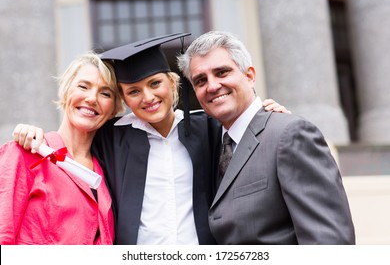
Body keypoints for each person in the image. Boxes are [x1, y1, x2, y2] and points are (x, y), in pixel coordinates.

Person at [11, 33, 289, 245]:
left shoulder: (210, 129)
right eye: (133, 91)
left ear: (172, 83)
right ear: (125, 99)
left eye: (155, 84)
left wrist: (265, 114)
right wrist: (30, 130)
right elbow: (74, 133)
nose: (148, 97)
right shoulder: (112, 138)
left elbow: (247, 132)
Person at [177, 30, 356, 244]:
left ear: (250, 75)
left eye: (222, 72)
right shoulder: (212, 145)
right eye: (200, 81)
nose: (212, 86)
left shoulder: (289, 134)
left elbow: (329, 242)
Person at [0, 52, 125, 244]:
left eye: (105, 93)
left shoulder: (108, 173)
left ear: (114, 110)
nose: (92, 98)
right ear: (66, 93)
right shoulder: (26, 153)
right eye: (83, 86)